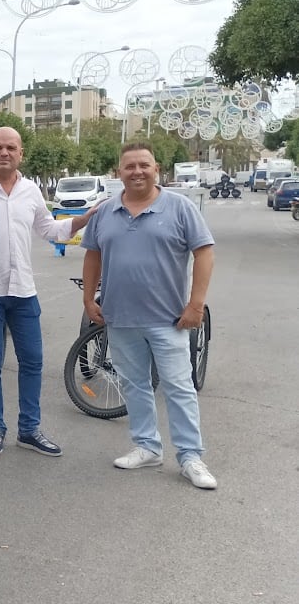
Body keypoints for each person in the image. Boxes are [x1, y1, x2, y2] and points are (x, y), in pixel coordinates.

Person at [80, 142, 218, 490]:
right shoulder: (105, 212)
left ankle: (190, 456)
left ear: (157, 169)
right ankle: (147, 446)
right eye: (129, 166)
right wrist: (88, 298)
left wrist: (196, 304)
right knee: (134, 385)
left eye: (144, 165)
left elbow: (204, 254)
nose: (137, 171)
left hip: (169, 318)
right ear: (119, 172)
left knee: (178, 387)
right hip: (120, 317)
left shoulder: (180, 208)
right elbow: (93, 256)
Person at [0, 127, 94, 457]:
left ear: (21, 153)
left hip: (24, 292)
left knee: (33, 362)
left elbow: (49, 230)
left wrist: (81, 221)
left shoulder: (31, 191)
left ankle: (29, 430)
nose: (4, 152)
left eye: (11, 147)